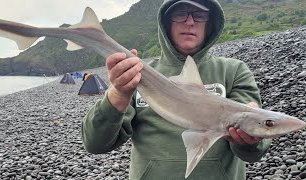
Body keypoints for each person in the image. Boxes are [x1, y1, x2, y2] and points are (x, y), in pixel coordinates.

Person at [82, 0, 271, 179]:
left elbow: (254, 153)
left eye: (199, 15)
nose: (190, 22)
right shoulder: (136, 74)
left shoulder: (233, 70)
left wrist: (251, 140)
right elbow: (95, 143)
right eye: (181, 14)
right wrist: (118, 93)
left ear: (209, 22)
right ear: (166, 22)